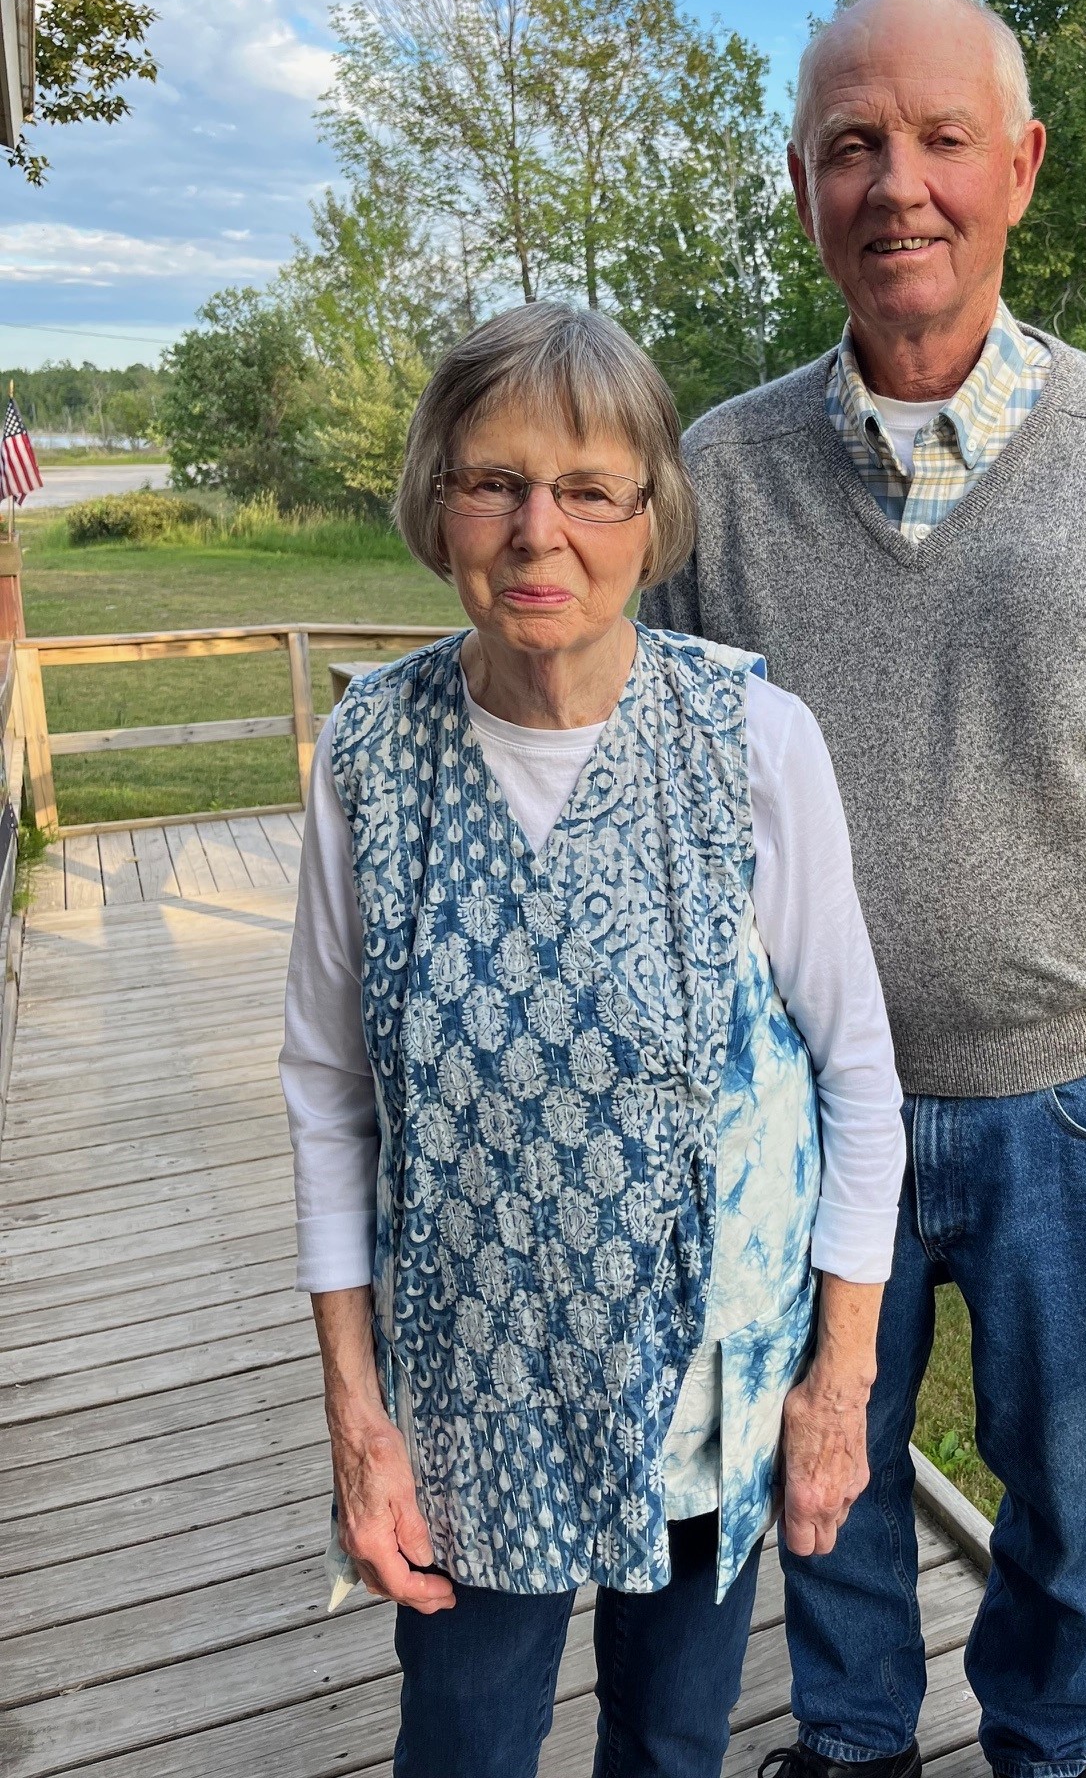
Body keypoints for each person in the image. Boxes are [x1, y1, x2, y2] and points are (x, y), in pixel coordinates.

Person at [640, 0, 1086, 1778]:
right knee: (824, 1480)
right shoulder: (711, 482)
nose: (898, 185)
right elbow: (655, 804)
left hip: (1077, 1120)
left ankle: (1040, 1758)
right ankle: (852, 1752)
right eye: (854, 145)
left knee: (1078, 1507)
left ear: (1021, 166)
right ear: (800, 186)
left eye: (941, 140)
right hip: (803, 1114)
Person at [279, 301, 907, 1778]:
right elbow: (325, 1095)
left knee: (674, 1746)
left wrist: (837, 1388)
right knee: (467, 1745)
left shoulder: (754, 743)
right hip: (461, 1393)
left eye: (587, 489)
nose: (535, 531)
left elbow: (858, 1079)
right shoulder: (372, 755)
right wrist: (357, 1420)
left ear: (649, 519)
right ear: (438, 505)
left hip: (702, 1385)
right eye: (492, 481)